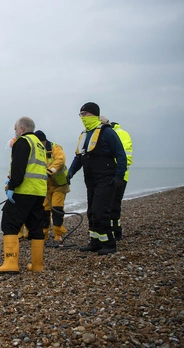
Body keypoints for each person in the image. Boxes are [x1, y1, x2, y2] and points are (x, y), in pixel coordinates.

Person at [67, 103, 127, 255]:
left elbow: (121, 155)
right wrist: (70, 173)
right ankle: (95, 242)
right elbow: (79, 158)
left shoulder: (107, 132)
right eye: (80, 114)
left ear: (94, 114)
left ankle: (109, 244)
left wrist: (119, 176)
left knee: (101, 211)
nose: (82, 117)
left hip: (106, 178)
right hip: (91, 180)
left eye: (85, 114)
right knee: (92, 211)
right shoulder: (84, 135)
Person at [0, 117, 48, 274]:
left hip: (24, 191)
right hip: (39, 191)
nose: (15, 132)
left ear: (22, 129)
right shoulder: (39, 144)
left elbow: (19, 166)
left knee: (9, 222)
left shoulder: (23, 142)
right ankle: (37, 265)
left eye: (15, 129)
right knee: (35, 226)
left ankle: (10, 263)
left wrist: (12, 185)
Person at [34, 130, 70, 244]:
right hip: (45, 186)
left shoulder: (55, 148)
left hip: (59, 184)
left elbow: (60, 160)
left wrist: (49, 171)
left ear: (43, 141)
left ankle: (58, 234)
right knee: (44, 210)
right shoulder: (35, 150)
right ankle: (43, 233)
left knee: (57, 208)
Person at [100, 116, 133, 240]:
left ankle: (116, 232)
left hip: (119, 176)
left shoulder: (120, 134)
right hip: (107, 176)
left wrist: (113, 170)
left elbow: (125, 157)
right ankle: (110, 231)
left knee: (114, 205)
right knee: (107, 205)